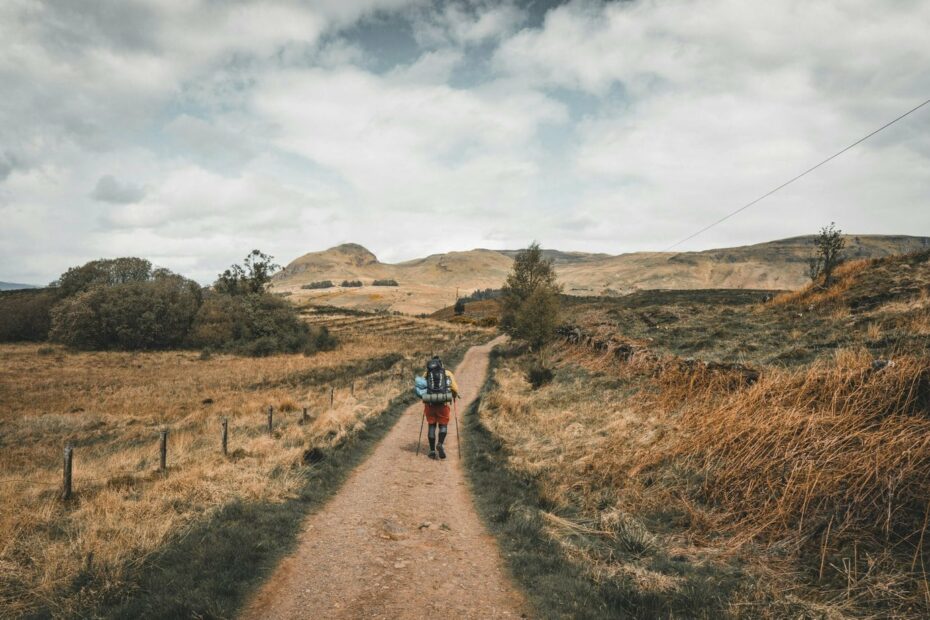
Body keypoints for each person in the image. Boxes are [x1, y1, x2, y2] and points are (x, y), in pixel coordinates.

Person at [422, 355, 459, 460]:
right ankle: (440, 443)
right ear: (441, 363)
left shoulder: (427, 373)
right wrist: (454, 395)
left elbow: (422, 387)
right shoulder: (447, 373)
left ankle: (432, 451)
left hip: (430, 404)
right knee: (443, 425)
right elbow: (455, 388)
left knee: (431, 426)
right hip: (443, 404)